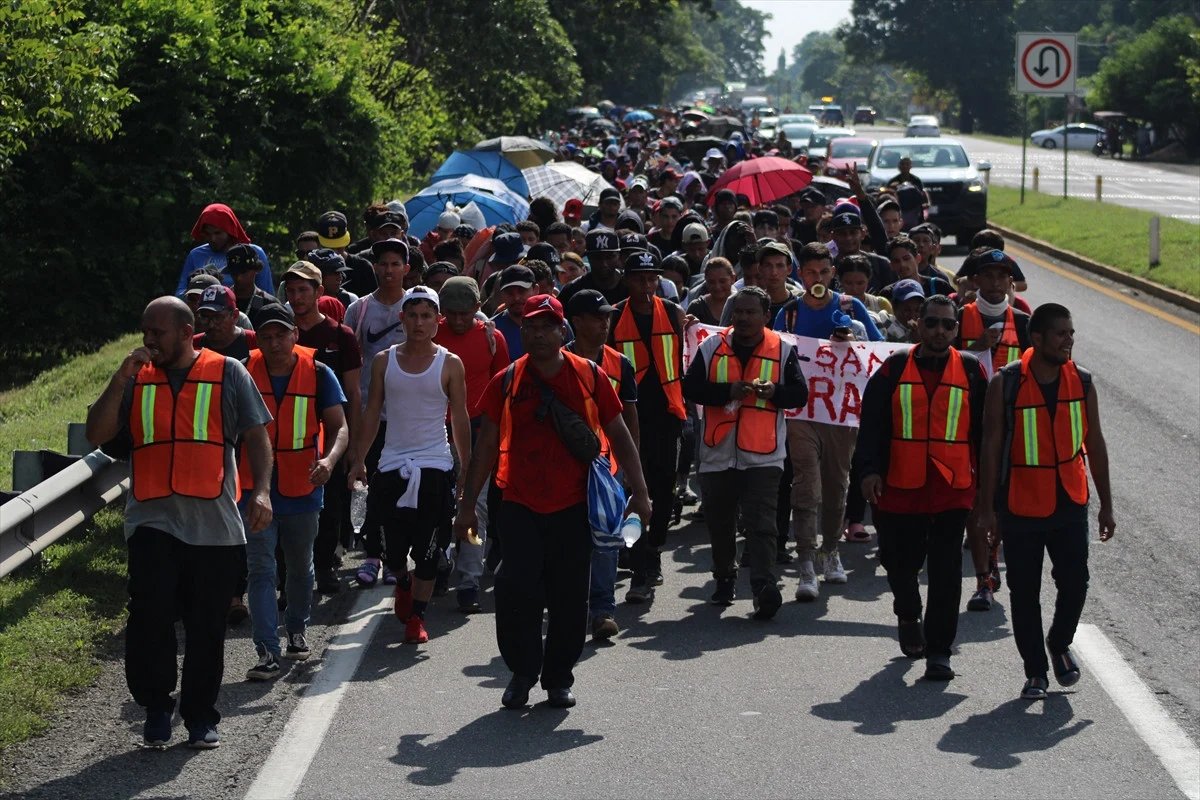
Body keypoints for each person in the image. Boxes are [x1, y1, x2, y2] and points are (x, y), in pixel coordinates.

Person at [84, 296, 273, 750]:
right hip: (151, 519)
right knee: (150, 616)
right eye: (145, 331)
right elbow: (96, 434)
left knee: (206, 626)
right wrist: (118, 379)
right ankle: (154, 706)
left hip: (214, 527)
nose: (149, 341)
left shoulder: (228, 373)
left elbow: (257, 436)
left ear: (187, 333)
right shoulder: (134, 379)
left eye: (158, 333)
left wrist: (262, 490)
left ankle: (200, 718)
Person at [454, 294, 650, 709]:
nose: (538, 334)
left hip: (574, 504)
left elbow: (619, 435)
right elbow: (486, 444)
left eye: (547, 326)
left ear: (563, 331)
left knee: (567, 595)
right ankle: (523, 673)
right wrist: (467, 503)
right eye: (531, 327)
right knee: (513, 589)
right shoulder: (506, 380)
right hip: (518, 502)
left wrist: (641, 494)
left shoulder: (590, 376)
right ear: (521, 331)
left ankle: (558, 678)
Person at [976, 303, 1115, 700]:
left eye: (1071, 333)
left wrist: (1106, 503)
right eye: (1061, 334)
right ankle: (1035, 672)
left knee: (1075, 582)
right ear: (1036, 339)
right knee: (1024, 593)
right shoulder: (1006, 383)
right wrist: (987, 509)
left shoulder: (1083, 381)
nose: (1068, 341)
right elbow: (991, 447)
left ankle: (1059, 641)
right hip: (1021, 503)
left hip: (1071, 499)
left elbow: (1096, 443)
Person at [855, 295, 988, 679]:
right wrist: (868, 472)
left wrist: (988, 490)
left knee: (946, 572)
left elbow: (984, 433)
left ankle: (939, 650)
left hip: (952, 489)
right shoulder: (894, 367)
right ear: (919, 325)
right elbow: (872, 426)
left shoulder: (972, 370)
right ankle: (908, 612)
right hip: (900, 487)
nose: (940, 331)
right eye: (932, 323)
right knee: (900, 565)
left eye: (948, 325)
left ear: (957, 330)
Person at [348, 286, 472, 645]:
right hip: (392, 463)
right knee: (392, 548)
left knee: (430, 549)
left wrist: (463, 466)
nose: (419, 323)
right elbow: (373, 412)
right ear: (401, 319)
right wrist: (359, 459)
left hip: (434, 463)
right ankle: (403, 583)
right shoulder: (385, 361)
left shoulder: (450, 363)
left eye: (426, 316)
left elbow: (460, 418)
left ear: (438, 321)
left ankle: (417, 617)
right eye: (412, 315)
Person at [683, 287, 809, 618]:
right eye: (738, 312)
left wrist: (774, 392)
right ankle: (724, 577)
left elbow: (799, 394)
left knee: (761, 523)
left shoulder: (782, 350)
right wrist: (726, 391)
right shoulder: (712, 347)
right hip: (717, 453)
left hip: (764, 455)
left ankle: (763, 588)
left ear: (766, 316)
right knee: (720, 523)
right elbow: (690, 387)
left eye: (751, 312)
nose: (743, 318)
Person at [238, 303, 348, 679]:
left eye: (281, 335)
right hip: (254, 485)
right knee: (261, 568)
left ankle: (297, 627)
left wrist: (330, 462)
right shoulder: (241, 372)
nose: (274, 343)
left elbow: (339, 427)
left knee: (300, 565)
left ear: (294, 335)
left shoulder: (319, 373)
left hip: (303, 484)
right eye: (265, 337)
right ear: (257, 339)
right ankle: (267, 650)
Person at [956, 248, 1033, 610]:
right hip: (969, 423)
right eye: (988, 275)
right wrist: (975, 347)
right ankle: (982, 580)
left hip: (1012, 427)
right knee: (975, 503)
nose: (996, 282)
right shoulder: (958, 317)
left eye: (1003, 276)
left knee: (1002, 505)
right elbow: (943, 363)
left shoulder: (1023, 321)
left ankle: (994, 552)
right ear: (976, 281)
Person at [610, 252, 687, 602]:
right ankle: (639, 569)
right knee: (634, 493)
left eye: (652, 278)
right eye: (639, 278)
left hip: (668, 416)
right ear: (627, 280)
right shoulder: (612, 318)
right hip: (627, 420)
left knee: (662, 489)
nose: (646, 285)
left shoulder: (672, 313)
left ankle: (653, 548)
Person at [283, 261, 363, 594]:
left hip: (330, 433)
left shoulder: (340, 336)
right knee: (288, 506)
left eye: (303, 290)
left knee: (329, 505)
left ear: (319, 292)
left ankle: (326, 563)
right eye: (291, 290)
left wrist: (355, 450)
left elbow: (354, 395)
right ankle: (288, 574)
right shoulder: (280, 331)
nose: (297, 297)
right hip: (287, 433)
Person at [563, 289, 639, 639]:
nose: (604, 323)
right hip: (564, 467)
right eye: (597, 317)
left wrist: (629, 472)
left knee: (607, 540)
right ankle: (569, 609)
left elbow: (629, 421)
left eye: (607, 316)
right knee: (569, 541)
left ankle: (603, 611)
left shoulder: (621, 364)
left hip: (607, 467)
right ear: (576, 322)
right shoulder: (556, 361)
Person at [435, 276, 511, 613]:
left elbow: (504, 388)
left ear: (478, 309)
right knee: (440, 506)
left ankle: (468, 580)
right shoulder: (430, 332)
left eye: (465, 313)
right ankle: (437, 563)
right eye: (450, 313)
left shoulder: (493, 339)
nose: (458, 320)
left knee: (474, 504)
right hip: (437, 431)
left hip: (480, 433)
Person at [345, 238, 410, 587]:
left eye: (395, 264)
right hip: (371, 413)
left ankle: (395, 557)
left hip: (408, 416)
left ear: (406, 268)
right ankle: (372, 555)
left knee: (401, 489)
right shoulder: (359, 310)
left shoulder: (416, 303)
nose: (388, 270)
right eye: (382, 264)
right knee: (370, 486)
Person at [775, 243, 883, 342]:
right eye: (811, 272)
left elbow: (879, 349)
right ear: (800, 274)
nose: (819, 279)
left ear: (832, 272)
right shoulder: (787, 315)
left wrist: (856, 344)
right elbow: (775, 354)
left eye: (824, 272)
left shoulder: (851, 307)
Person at [175, 204, 274, 297]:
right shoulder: (195, 255)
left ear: (230, 231)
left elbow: (267, 294)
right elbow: (180, 293)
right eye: (208, 234)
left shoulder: (252, 253)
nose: (213, 238)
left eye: (218, 233)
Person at [557, 228, 626, 308]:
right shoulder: (572, 290)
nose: (604, 264)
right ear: (588, 257)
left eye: (609, 257)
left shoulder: (631, 285)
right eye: (597, 257)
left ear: (618, 256)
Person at [193, 286, 258, 360]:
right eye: (205, 317)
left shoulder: (255, 343)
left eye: (217, 318)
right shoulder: (192, 346)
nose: (211, 325)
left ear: (235, 316)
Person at [691, 257, 735, 326]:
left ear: (733, 278)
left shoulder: (743, 304)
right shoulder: (697, 307)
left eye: (722, 281)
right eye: (711, 282)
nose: (717, 286)